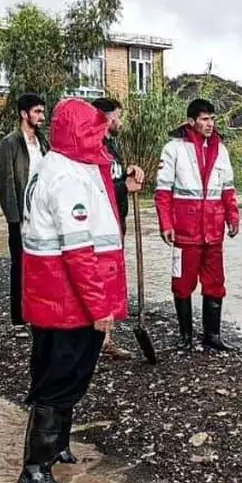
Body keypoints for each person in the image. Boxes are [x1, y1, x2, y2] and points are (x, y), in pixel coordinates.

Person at [16, 98, 128, 483]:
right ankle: (36, 468)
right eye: (96, 131)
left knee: (61, 373)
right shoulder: (68, 178)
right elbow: (79, 254)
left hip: (54, 299)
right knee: (62, 377)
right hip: (68, 302)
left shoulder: (58, 165)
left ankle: (58, 447)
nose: (102, 137)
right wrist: (100, 308)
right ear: (81, 133)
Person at [154, 98, 240, 351]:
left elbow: (228, 189)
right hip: (185, 230)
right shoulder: (173, 149)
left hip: (213, 231)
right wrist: (165, 224)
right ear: (191, 121)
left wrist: (233, 217)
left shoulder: (220, 149)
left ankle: (212, 337)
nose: (210, 124)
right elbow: (163, 191)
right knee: (182, 283)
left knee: (215, 282)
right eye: (204, 119)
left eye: (212, 119)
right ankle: (185, 337)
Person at [90, 97, 146, 359]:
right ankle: (97, 338)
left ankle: (106, 339)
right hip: (100, 226)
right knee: (100, 278)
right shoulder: (92, 148)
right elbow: (96, 190)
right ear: (107, 118)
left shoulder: (110, 146)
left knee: (112, 278)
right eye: (118, 116)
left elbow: (113, 177)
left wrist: (128, 172)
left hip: (116, 221)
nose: (120, 121)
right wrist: (126, 187)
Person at [0, 93, 48, 326]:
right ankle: (19, 317)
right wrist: (14, 219)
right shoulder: (10, 143)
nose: (42, 116)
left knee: (42, 264)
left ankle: (39, 311)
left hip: (42, 215)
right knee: (20, 265)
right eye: (37, 112)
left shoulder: (44, 142)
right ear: (24, 114)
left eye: (43, 112)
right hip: (20, 217)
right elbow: (3, 183)